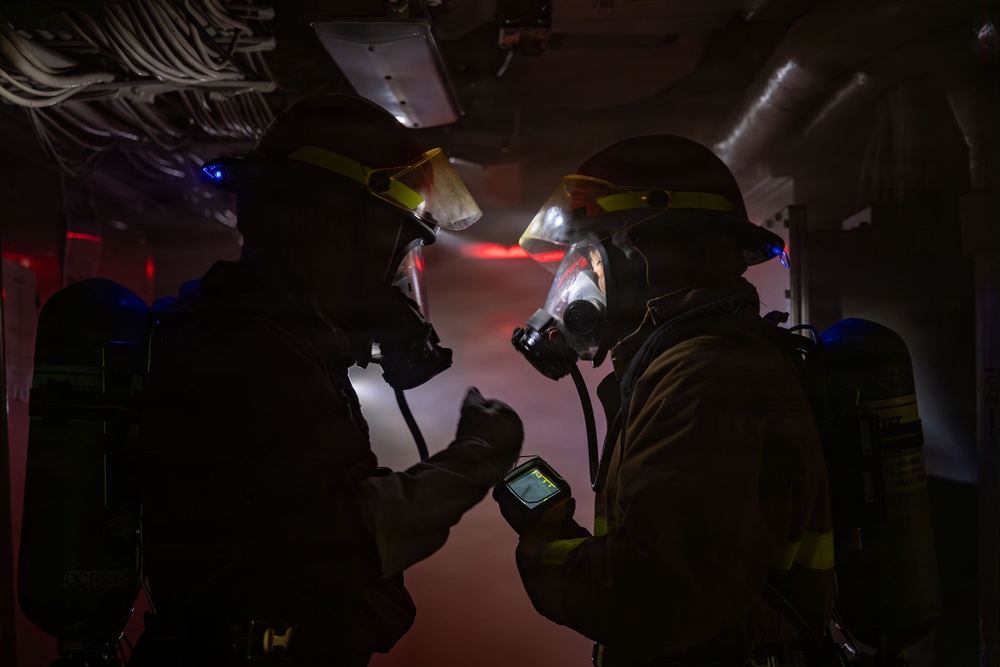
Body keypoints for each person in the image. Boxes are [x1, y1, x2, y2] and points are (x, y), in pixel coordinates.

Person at [131, 93, 523, 666]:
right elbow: (347, 537)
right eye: (395, 249)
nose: (395, 279)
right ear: (341, 229)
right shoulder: (249, 349)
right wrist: (477, 457)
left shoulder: (272, 336)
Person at [498, 135, 836, 666]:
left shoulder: (706, 375)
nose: (577, 285)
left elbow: (653, 598)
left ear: (653, 256)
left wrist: (546, 539)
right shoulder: (685, 367)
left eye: (589, 257)